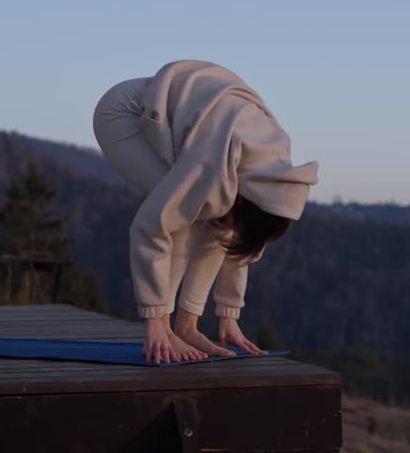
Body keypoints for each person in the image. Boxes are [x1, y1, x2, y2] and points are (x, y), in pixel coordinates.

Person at [92, 60, 319, 364]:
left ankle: (187, 326)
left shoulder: (270, 182)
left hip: (182, 129)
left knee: (218, 221)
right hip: (124, 114)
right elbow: (150, 228)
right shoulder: (212, 166)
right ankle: (167, 326)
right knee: (182, 218)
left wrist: (228, 315)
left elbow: (238, 240)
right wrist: (153, 320)